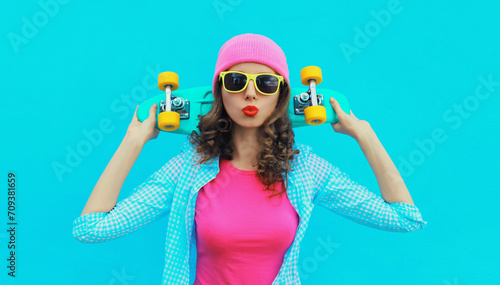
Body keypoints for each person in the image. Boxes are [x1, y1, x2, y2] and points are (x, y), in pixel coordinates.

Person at [72, 33, 427, 285]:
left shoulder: (305, 169)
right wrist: (133, 141)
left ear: (281, 95)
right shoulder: (188, 169)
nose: (251, 92)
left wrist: (365, 134)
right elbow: (91, 229)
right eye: (237, 80)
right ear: (219, 91)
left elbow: (404, 218)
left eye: (266, 84)